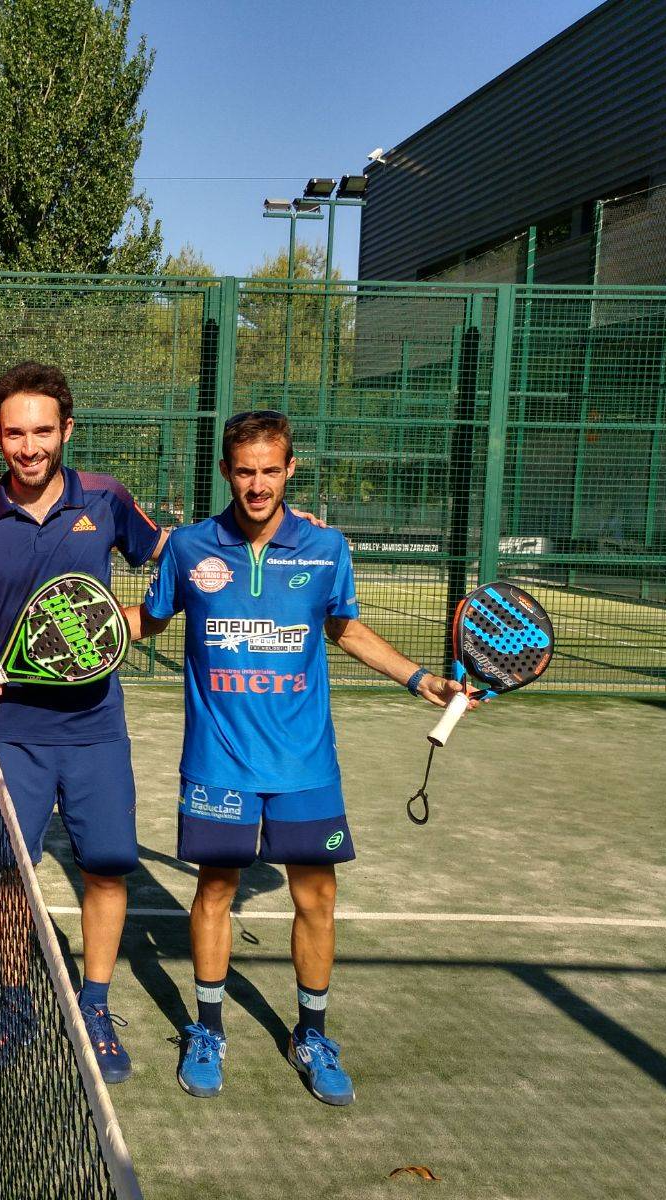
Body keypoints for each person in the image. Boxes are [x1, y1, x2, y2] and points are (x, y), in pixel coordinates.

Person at [132, 409, 470, 1105]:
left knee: (316, 895)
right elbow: (149, 620)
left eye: (270, 471)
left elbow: (345, 628)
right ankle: (207, 1030)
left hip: (304, 764)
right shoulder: (189, 548)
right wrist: (78, 635)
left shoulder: (325, 547)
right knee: (215, 890)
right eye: (244, 471)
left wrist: (421, 680)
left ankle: (311, 1034)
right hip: (218, 759)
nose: (257, 485)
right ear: (225, 472)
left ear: (290, 469)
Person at [0, 361, 163, 1083]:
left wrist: (131, 624)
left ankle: (94, 1005)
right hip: (10, 732)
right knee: (6, 874)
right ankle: (14, 1002)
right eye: (14, 433)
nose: (29, 447)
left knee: (105, 868)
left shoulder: (106, 497)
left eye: (42, 431)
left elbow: (175, 559)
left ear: (66, 429)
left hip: (97, 729)